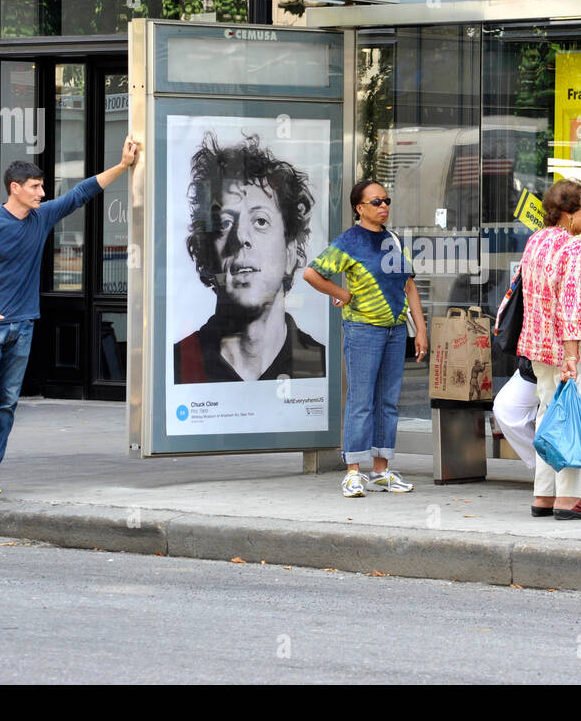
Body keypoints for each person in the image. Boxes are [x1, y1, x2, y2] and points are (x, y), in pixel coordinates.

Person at [0, 136, 140, 498]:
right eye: (35, 187)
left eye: (42, 187)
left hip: (22, 328)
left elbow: (81, 193)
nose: (41, 193)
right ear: (15, 188)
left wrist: (123, 165)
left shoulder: (42, 217)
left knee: (5, 404)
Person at [304, 180, 428, 498]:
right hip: (363, 330)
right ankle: (353, 472)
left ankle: (381, 470)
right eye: (376, 202)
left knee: (388, 402)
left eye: (386, 200)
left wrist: (421, 329)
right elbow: (312, 273)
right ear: (360, 208)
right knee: (361, 401)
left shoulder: (393, 240)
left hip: (395, 330)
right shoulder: (350, 241)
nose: (384, 206)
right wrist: (342, 293)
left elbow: (409, 285)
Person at [173, 132, 325, 383]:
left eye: (261, 221)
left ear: (290, 251)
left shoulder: (319, 367)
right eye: (224, 223)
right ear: (205, 253)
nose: (241, 236)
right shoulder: (179, 365)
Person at [517, 177, 581, 519]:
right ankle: (568, 500)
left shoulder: (536, 242)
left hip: (539, 347)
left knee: (547, 418)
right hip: (570, 350)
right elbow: (570, 304)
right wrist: (572, 355)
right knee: (572, 420)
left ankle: (543, 495)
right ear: (568, 213)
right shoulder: (572, 248)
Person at [491, 298, 581, 500]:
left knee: (580, 416)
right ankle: (548, 467)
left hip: (577, 368)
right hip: (536, 368)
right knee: (506, 407)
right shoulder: (535, 295)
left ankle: (567, 488)